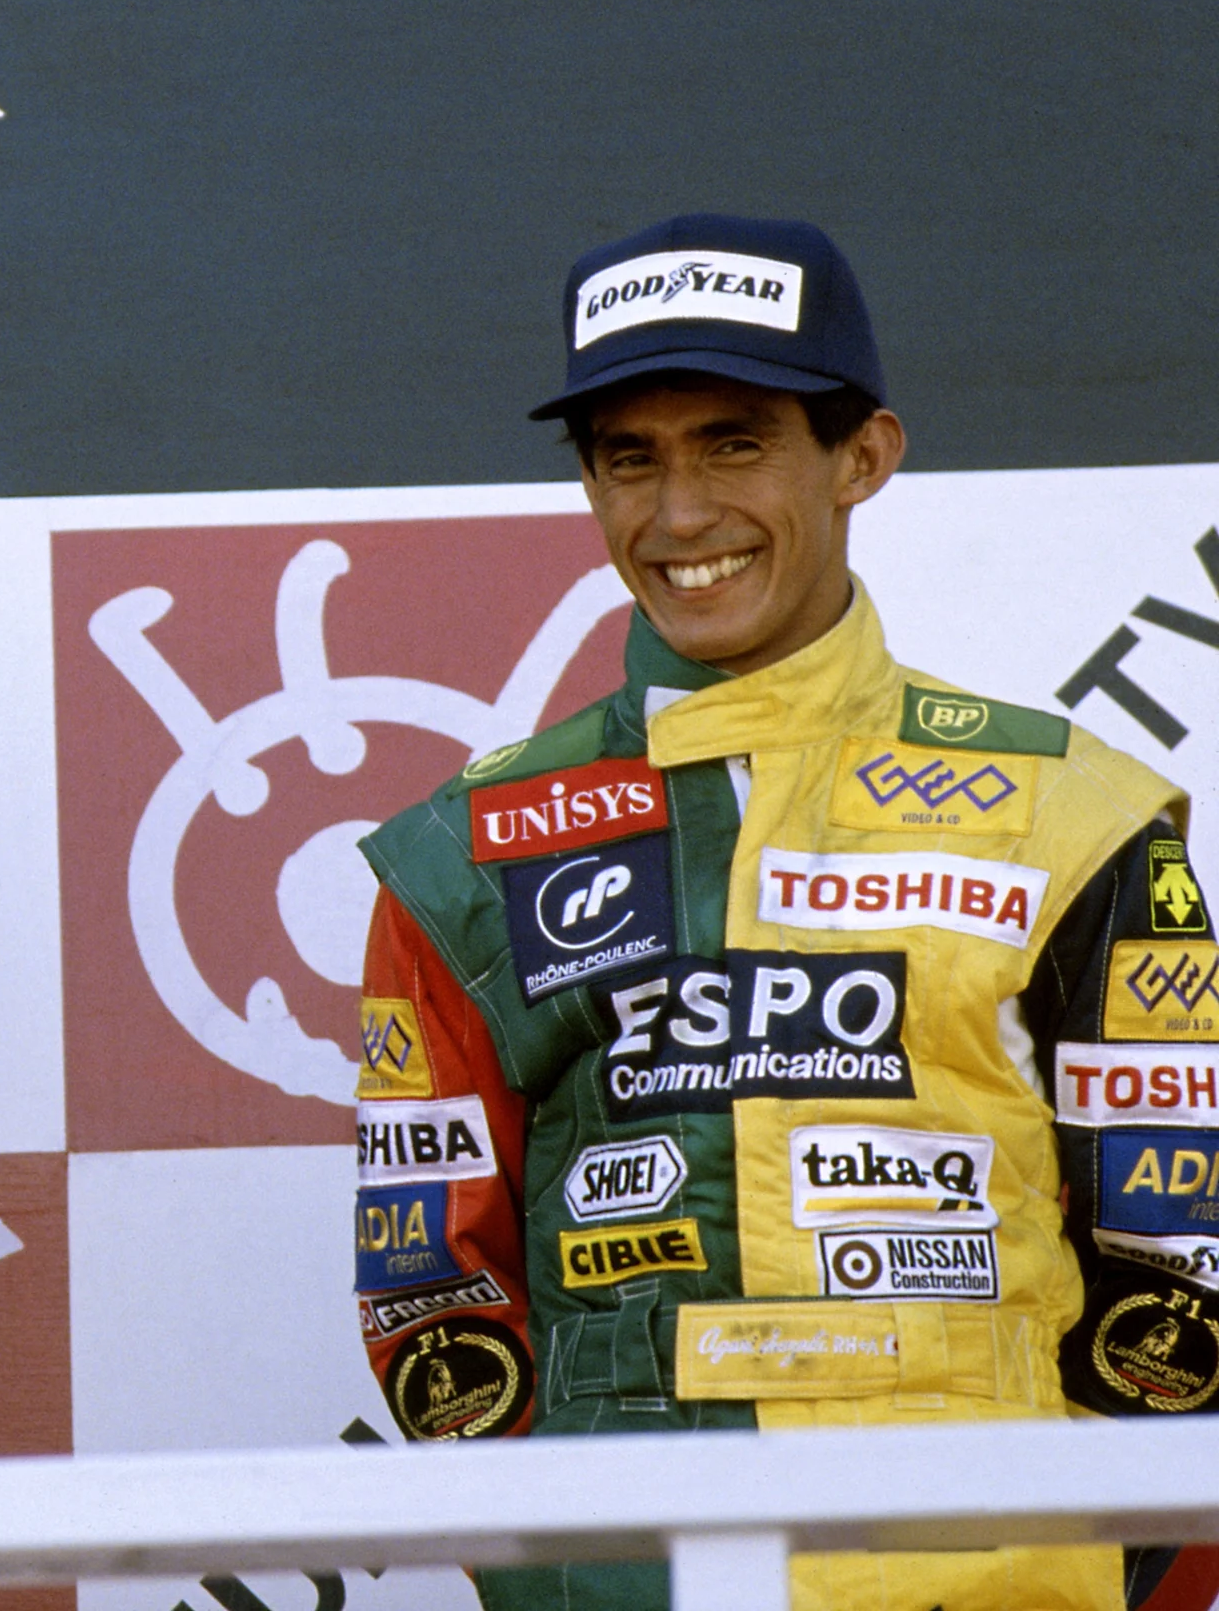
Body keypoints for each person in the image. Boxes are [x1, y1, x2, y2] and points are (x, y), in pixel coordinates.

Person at [351, 214, 1200, 1611]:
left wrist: (1075, 1551)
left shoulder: (1073, 811)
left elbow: (1179, 1254)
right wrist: (568, 1561)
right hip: (629, 1584)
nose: (678, 515)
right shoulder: (470, 849)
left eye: (733, 444)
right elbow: (428, 1283)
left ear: (862, 456)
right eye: (628, 457)